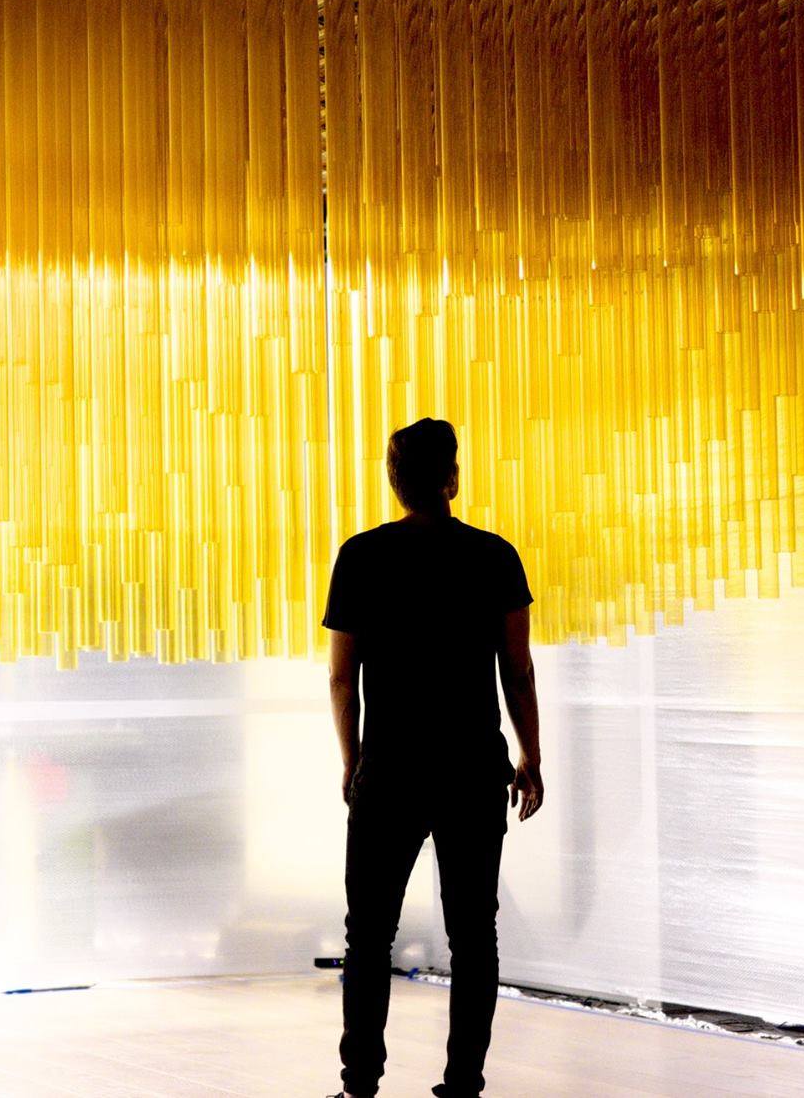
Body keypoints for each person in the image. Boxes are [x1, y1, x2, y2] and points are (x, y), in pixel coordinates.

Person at [323, 417, 543, 1098]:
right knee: (474, 935)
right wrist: (531, 756)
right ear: (452, 478)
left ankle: (359, 1086)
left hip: (389, 769)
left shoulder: (361, 556)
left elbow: (342, 677)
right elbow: (517, 670)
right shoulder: (495, 556)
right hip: (472, 769)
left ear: (394, 481)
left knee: (368, 936)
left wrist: (353, 759)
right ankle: (462, 1085)